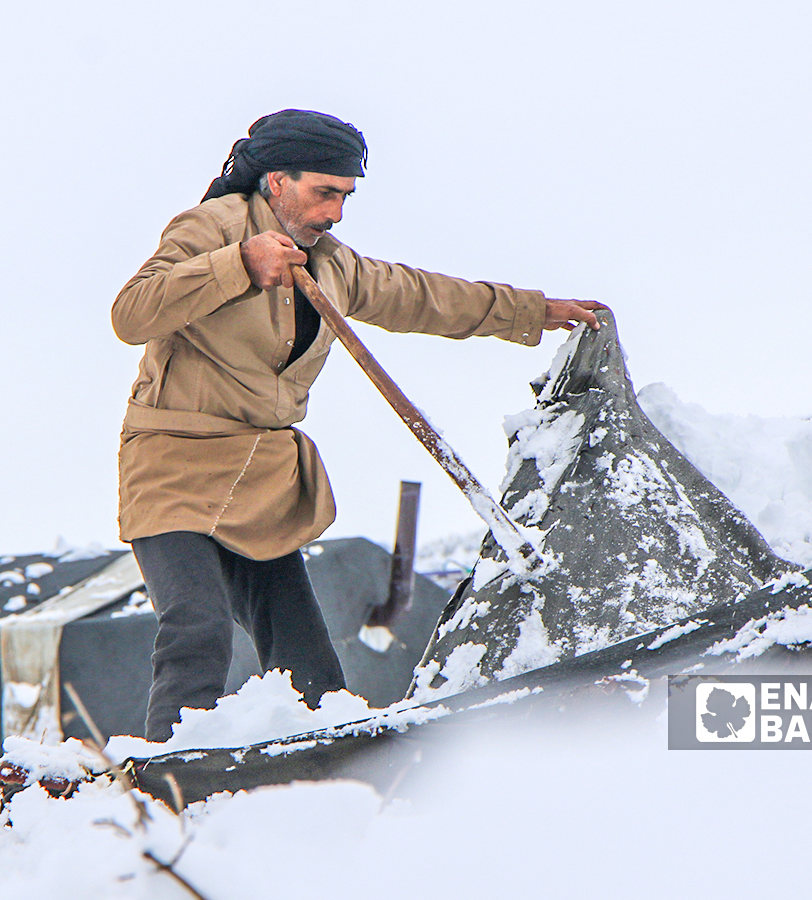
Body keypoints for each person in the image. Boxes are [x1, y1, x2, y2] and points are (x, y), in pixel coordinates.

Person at [112, 109, 604, 740]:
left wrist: (533, 311)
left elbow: (421, 295)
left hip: (260, 473)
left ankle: (336, 775)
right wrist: (237, 264)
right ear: (276, 182)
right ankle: (164, 784)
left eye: (345, 196)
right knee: (196, 628)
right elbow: (131, 313)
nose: (336, 212)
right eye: (325, 193)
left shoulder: (333, 265)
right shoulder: (210, 228)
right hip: (173, 461)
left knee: (307, 659)